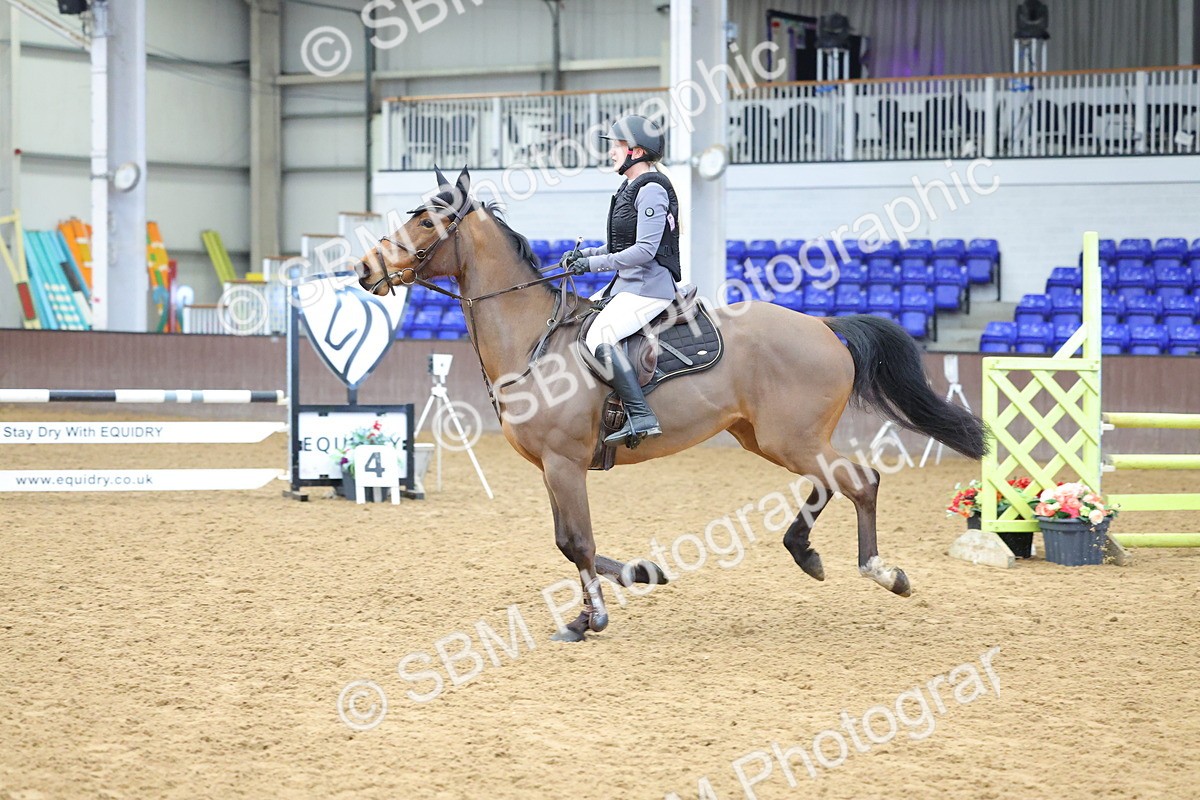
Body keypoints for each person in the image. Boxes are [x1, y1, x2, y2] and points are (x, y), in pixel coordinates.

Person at [561, 114, 681, 448]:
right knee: (580, 322)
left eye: (617, 146)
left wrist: (592, 264)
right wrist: (583, 257)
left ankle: (641, 414)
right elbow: (618, 248)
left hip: (649, 288)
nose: (612, 152)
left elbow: (644, 251)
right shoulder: (629, 187)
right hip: (626, 284)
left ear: (636, 151)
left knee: (601, 335)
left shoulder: (653, 190)